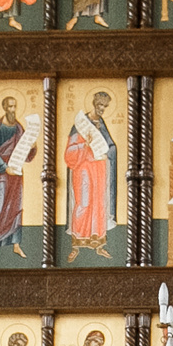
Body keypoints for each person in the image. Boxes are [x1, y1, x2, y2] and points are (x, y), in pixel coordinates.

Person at [63, 91, 119, 258]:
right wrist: (83, 145)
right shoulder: (80, 124)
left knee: (99, 204)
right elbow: (69, 152)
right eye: (100, 105)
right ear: (94, 104)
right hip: (83, 169)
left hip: (99, 169)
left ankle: (99, 244)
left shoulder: (101, 123)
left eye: (105, 106)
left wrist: (109, 152)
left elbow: (110, 146)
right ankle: (76, 245)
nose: (102, 109)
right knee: (84, 203)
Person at [0, 95, 37, 260]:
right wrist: (5, 168)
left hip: (16, 173)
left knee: (15, 208)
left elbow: (25, 154)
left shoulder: (19, 128)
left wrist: (32, 148)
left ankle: (16, 245)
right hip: (0, 173)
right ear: (5, 108)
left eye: (15, 106)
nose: (13, 110)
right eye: (10, 107)